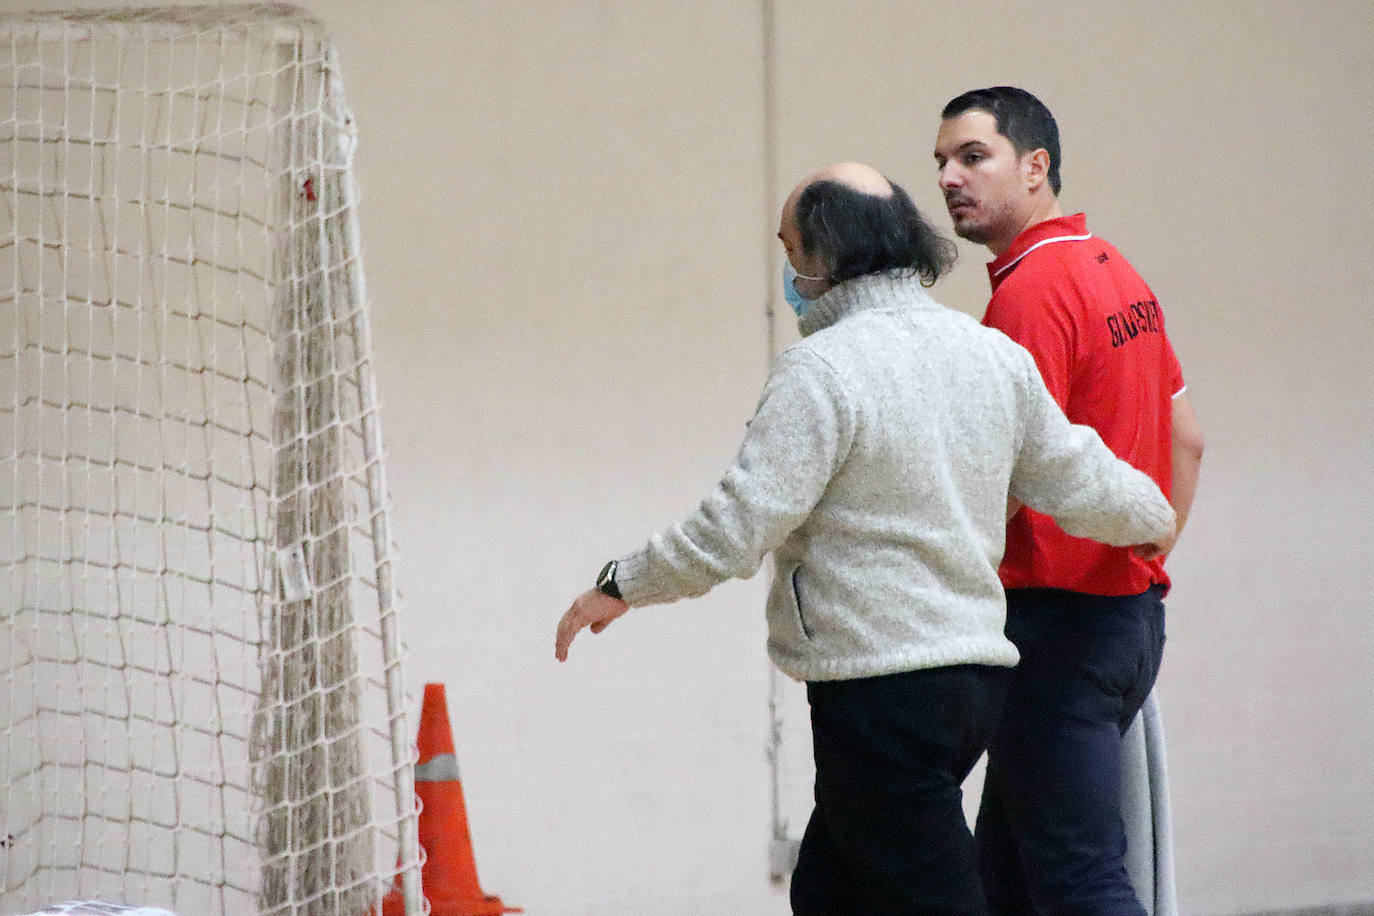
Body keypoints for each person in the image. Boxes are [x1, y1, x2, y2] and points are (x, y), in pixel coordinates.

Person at [554, 161, 1177, 916]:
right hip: (971, 683)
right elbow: (1083, 479)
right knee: (831, 888)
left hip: (881, 690)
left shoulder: (819, 372)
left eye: (790, 252)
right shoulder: (991, 357)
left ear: (821, 258)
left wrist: (622, 583)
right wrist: (1156, 515)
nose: (787, 272)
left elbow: (734, 529)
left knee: (936, 896)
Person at [934, 86, 1205, 916]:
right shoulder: (1113, 268)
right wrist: (1143, 563)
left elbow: (1007, 479)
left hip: (1059, 633)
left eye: (973, 157)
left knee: (1082, 882)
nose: (949, 177)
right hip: (1128, 622)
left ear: (1035, 165)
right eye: (941, 162)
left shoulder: (1028, 294)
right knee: (1005, 878)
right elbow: (1187, 439)